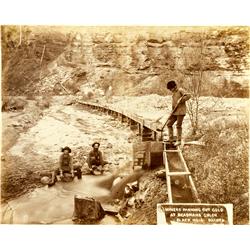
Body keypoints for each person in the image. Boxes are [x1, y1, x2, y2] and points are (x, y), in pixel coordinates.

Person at [166, 80, 191, 146]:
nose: (170, 90)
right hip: (175, 112)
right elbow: (174, 104)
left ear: (174, 87)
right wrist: (172, 111)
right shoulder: (173, 93)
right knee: (169, 124)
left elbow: (188, 96)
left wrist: (181, 100)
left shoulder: (180, 90)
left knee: (178, 126)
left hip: (181, 112)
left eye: (170, 89)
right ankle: (171, 139)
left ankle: (179, 140)